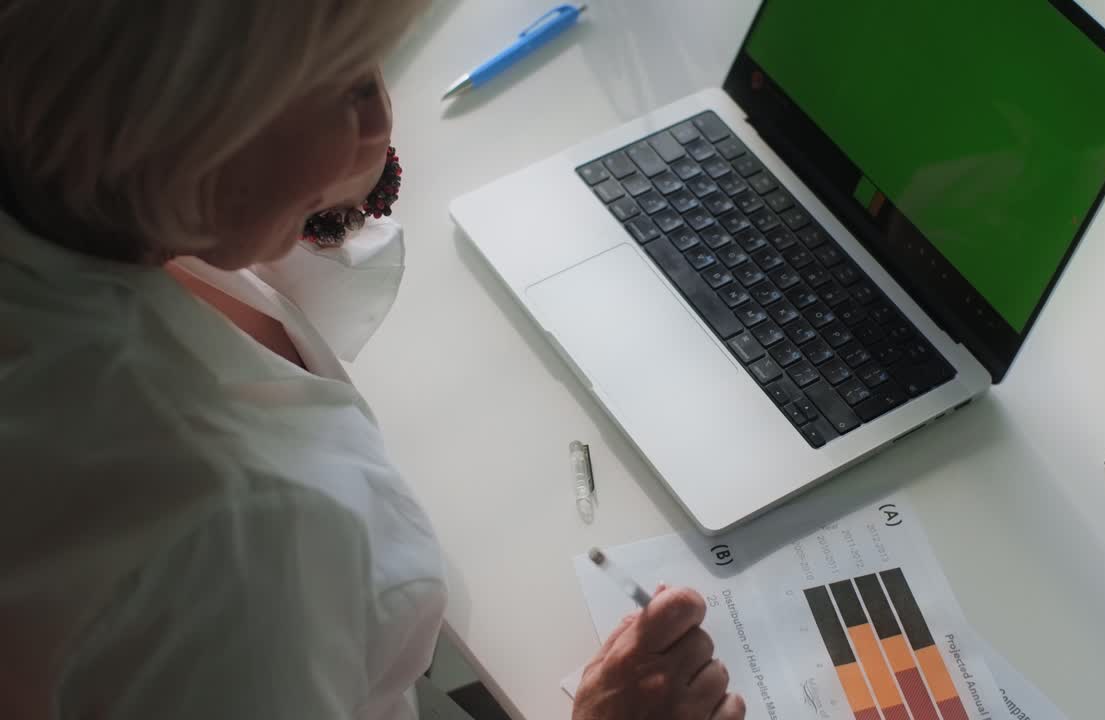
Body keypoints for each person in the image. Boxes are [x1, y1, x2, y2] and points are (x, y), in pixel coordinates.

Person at [0, 2, 747, 719]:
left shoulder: (73, 205)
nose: (382, 124)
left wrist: (313, 170)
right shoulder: (236, 539)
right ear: (186, 114)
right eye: (346, 82)